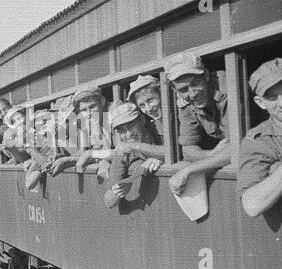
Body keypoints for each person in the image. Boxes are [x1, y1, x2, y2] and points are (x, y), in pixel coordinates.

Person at [163, 52, 231, 196]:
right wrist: (213, 153)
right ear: (175, 91)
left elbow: (236, 149)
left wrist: (188, 170)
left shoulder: (227, 87)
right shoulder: (186, 102)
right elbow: (188, 150)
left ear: (206, 75)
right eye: (183, 89)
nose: (192, 94)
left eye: (195, 83)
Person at [237, 58, 282, 218]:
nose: (281, 102)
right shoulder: (258, 141)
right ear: (261, 103)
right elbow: (252, 205)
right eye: (272, 97)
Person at [104, 103, 163, 208]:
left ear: (141, 120)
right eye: (122, 130)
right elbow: (109, 202)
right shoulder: (123, 152)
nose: (128, 134)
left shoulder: (159, 130)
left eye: (131, 125)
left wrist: (159, 157)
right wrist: (128, 182)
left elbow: (176, 152)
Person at [50, 86, 111, 176]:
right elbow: (86, 154)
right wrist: (65, 161)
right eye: (84, 110)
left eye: (92, 107)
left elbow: (120, 152)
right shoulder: (88, 126)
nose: (89, 114)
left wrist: (68, 159)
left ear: (102, 102)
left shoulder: (112, 118)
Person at [116, 75, 165, 160]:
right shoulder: (152, 126)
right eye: (142, 105)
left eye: (150, 100)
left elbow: (177, 151)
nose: (148, 109)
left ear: (162, 95)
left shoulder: (179, 116)